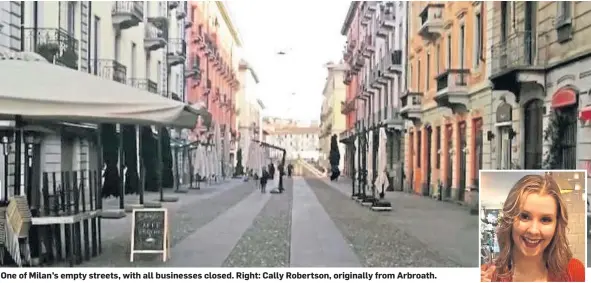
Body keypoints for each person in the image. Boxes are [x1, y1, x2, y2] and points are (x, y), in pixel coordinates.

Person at [481, 174, 585, 282]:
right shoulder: (486, 275)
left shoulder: (575, 272)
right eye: (525, 217)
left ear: (556, 226)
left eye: (545, 219)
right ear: (509, 220)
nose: (533, 230)